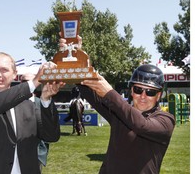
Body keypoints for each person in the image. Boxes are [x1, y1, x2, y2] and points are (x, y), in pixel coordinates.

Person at [59, 36, 175, 174]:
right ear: (131, 90)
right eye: (138, 90)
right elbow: (88, 90)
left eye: (150, 92)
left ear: (159, 95)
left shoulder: (165, 120)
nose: (143, 96)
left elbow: (141, 125)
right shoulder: (120, 114)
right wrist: (74, 57)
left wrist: (110, 93)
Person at [0, 52, 65, 174]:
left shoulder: (28, 105)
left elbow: (51, 136)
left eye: (4, 70)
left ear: (14, 74)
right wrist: (34, 82)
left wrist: (45, 99)